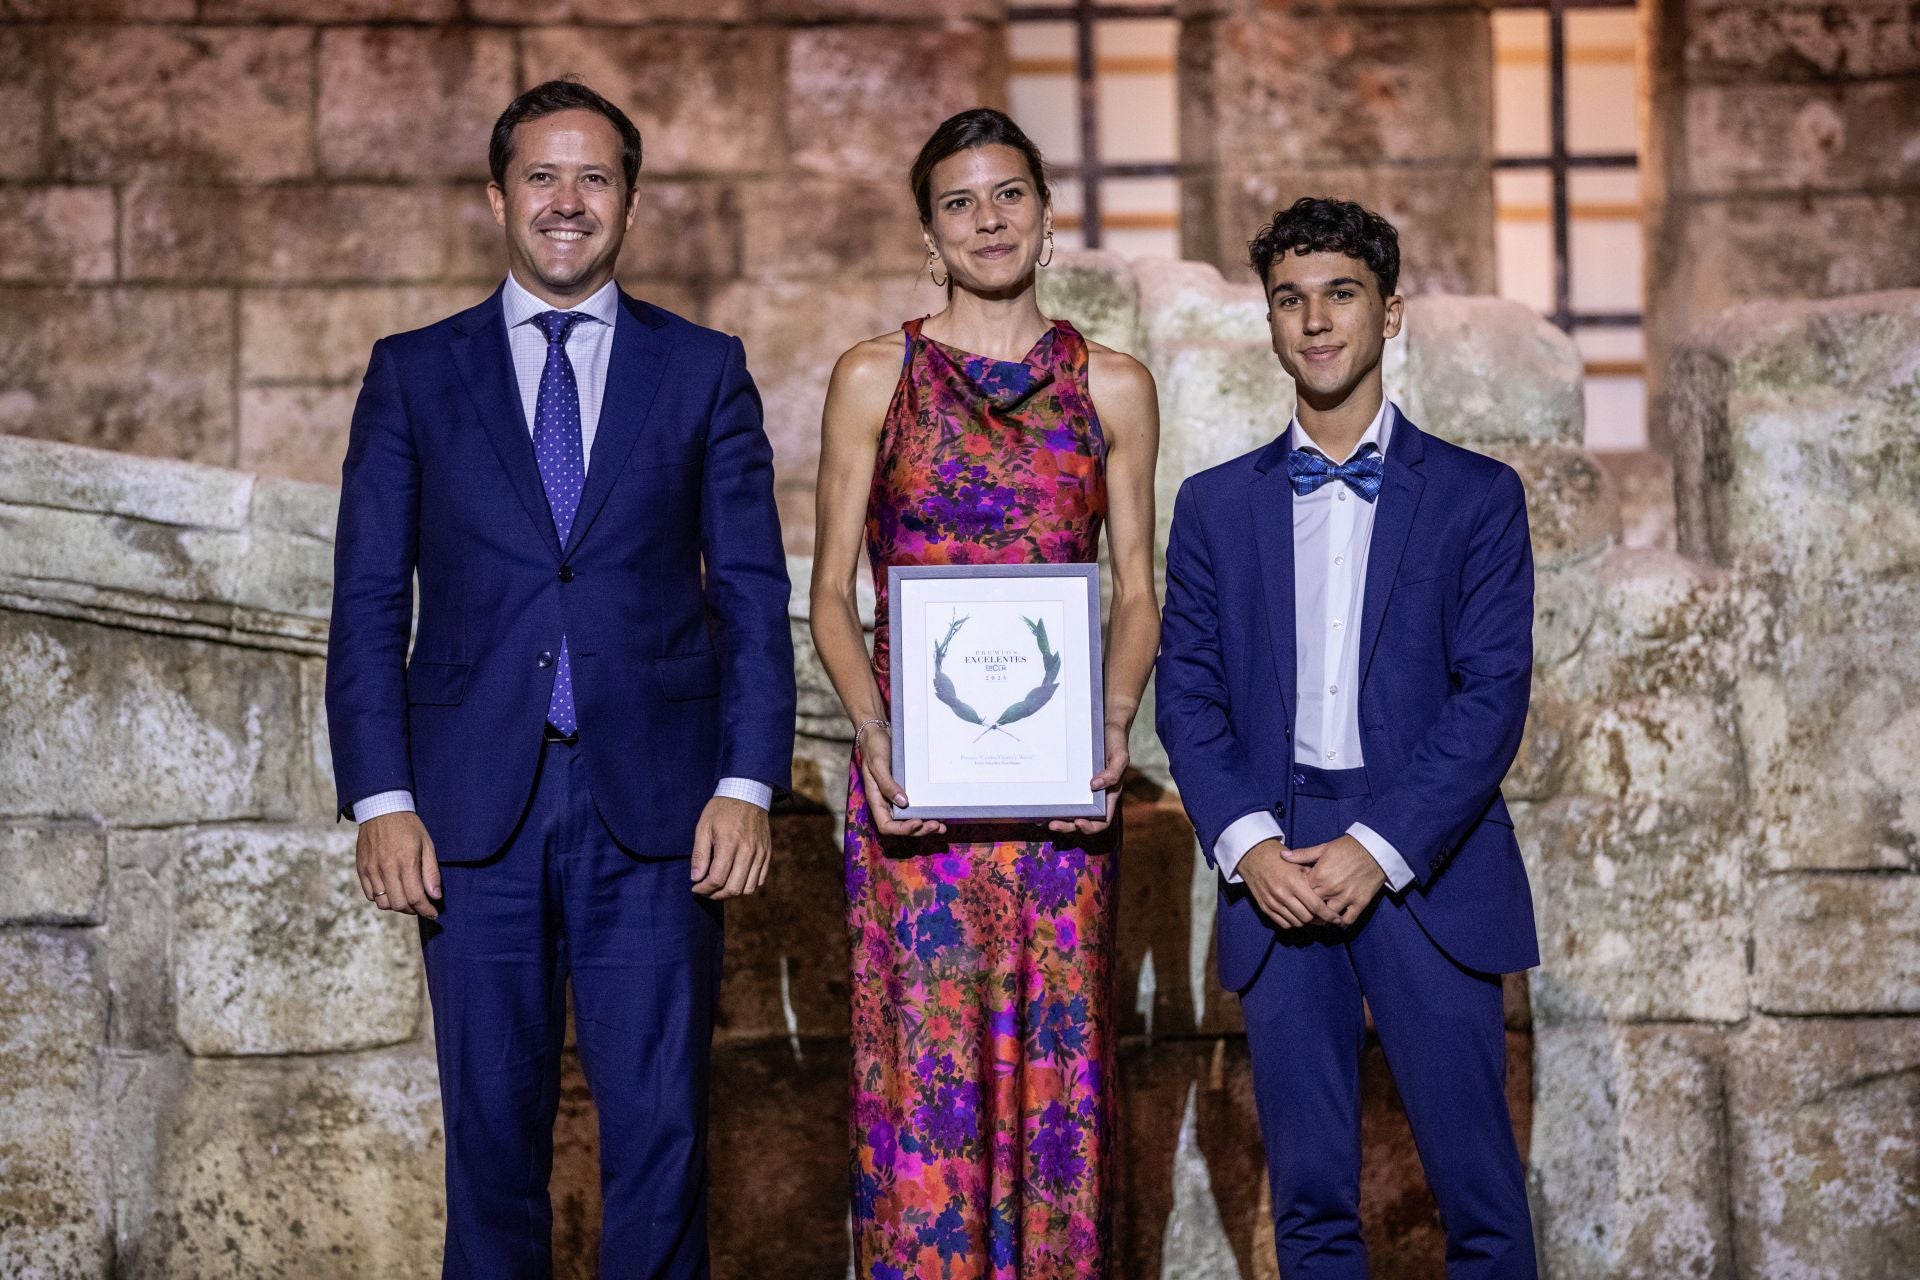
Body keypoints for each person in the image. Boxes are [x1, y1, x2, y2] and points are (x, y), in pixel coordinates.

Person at [326, 79, 794, 1279]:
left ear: (630, 203)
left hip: (659, 810)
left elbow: (750, 592)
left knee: (664, 1138)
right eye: (542, 175)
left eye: (594, 177)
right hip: (471, 814)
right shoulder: (414, 374)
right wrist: (382, 797)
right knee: (490, 1145)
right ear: (497, 197)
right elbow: (371, 599)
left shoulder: (702, 370)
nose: (567, 201)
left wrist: (747, 779)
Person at [1155, 197, 1540, 1278]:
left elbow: (1490, 696)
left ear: (1392, 311)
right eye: (1290, 299)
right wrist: (1247, 842)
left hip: (1425, 853)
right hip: (1272, 853)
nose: (1315, 320)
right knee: (1313, 1204)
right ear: (1270, 324)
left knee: (1483, 1200)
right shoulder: (1214, 506)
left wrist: (1378, 843)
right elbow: (1187, 696)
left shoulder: (1477, 496)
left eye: (1341, 293)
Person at [808, 108, 1161, 1279]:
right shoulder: (874, 376)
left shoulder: (1113, 385)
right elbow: (827, 596)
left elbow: (1139, 594)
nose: (987, 219)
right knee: (925, 1088)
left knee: (1060, 1085)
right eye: (959, 202)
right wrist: (872, 741)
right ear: (929, 229)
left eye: (1008, 194)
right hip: (920, 809)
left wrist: (1109, 731)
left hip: (1059, 811)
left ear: (1048, 213)